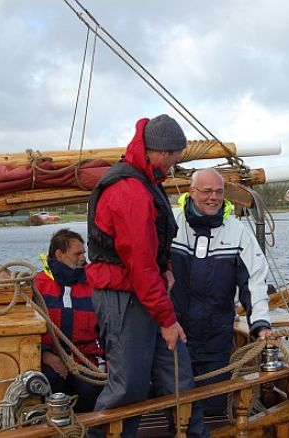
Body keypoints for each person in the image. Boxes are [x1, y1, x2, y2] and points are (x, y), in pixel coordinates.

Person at [85, 115, 209, 437]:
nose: (173, 167)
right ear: (163, 153)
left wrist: (164, 273)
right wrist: (167, 320)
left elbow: (149, 256)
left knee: (178, 376)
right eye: (174, 159)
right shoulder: (130, 192)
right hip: (124, 298)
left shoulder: (144, 181)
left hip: (146, 295)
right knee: (128, 388)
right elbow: (139, 264)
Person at [170, 168, 272, 416]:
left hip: (216, 336)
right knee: (174, 405)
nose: (213, 197)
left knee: (213, 409)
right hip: (174, 333)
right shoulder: (170, 223)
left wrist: (261, 324)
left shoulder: (237, 232)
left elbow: (255, 281)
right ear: (192, 192)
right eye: (206, 191)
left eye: (218, 191)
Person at [35, 228, 104, 413]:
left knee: (90, 389)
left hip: (85, 358)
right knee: (50, 383)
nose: (83, 258)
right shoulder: (38, 285)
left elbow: (107, 326)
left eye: (84, 253)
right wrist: (46, 355)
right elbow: (29, 332)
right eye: (77, 253)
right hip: (50, 357)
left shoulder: (93, 283)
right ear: (59, 254)